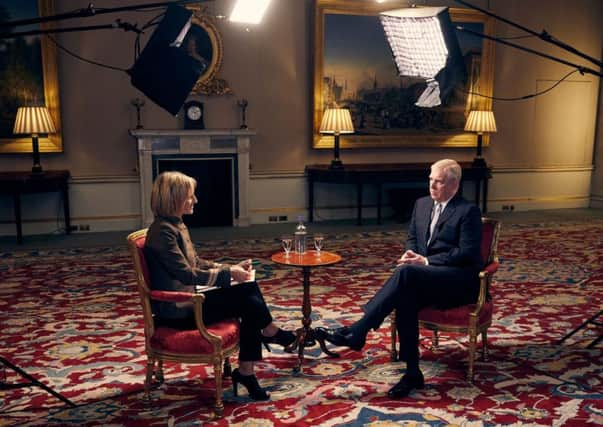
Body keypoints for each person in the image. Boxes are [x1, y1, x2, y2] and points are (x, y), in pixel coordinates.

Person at [316, 159, 482, 398]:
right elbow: (413, 239)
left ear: (454, 185)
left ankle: (359, 329)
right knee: (405, 295)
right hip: (424, 278)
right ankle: (412, 373)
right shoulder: (422, 204)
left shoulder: (468, 211)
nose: (432, 185)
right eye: (430, 180)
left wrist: (424, 262)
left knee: (406, 273)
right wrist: (411, 252)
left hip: (457, 281)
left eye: (439, 181)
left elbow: (466, 253)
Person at [144, 171, 295, 401]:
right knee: (247, 300)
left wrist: (231, 268)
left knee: (248, 289)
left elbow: (197, 263)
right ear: (174, 198)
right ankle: (267, 341)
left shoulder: (175, 225)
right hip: (178, 310)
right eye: (190, 196)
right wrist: (228, 275)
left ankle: (255, 358)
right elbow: (186, 274)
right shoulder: (162, 231)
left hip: (188, 299)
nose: (195, 201)